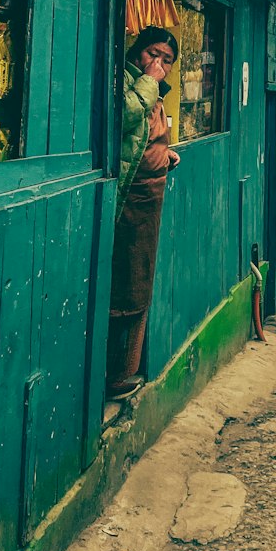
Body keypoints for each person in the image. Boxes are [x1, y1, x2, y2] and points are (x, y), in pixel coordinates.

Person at [106, 26, 181, 400]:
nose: (159, 64)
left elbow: (147, 140)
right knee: (126, 280)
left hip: (151, 198)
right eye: (153, 54)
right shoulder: (126, 80)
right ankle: (115, 374)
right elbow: (124, 117)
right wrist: (150, 81)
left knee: (142, 279)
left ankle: (129, 369)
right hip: (130, 199)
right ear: (138, 52)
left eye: (167, 60)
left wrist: (165, 156)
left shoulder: (155, 91)